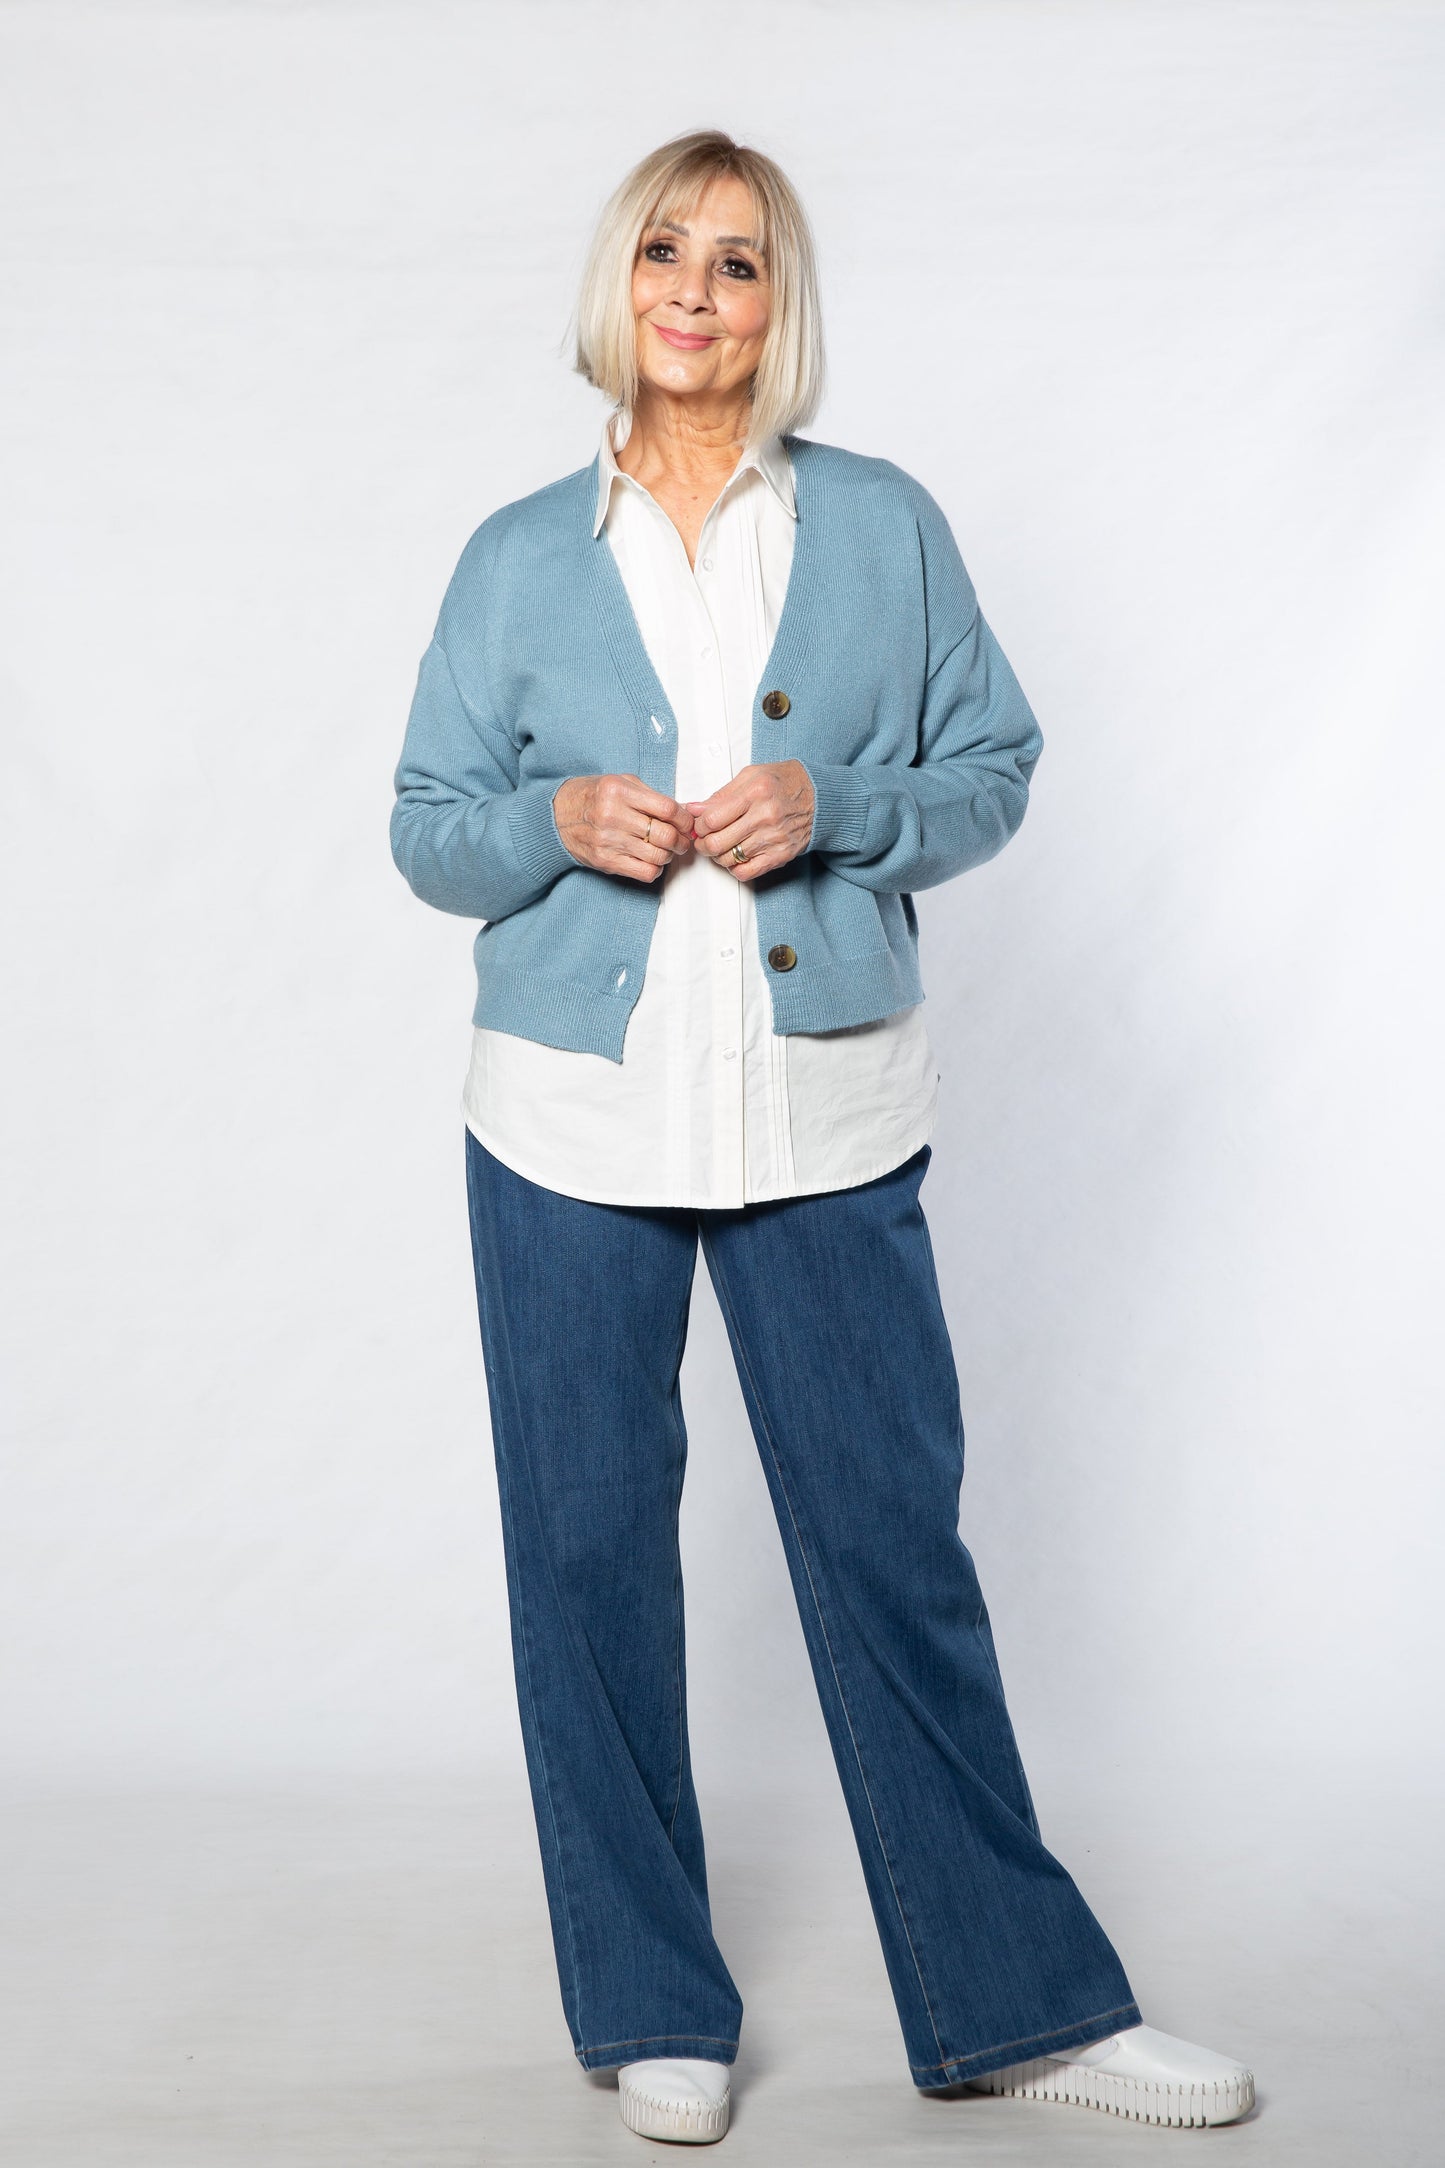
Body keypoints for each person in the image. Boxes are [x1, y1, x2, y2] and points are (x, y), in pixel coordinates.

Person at [390, 128, 1255, 2147]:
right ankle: (651, 2003)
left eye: (747, 262)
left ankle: (1019, 2000)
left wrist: (840, 803)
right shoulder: (518, 556)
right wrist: (548, 828)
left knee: (889, 1546)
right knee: (587, 1554)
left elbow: (995, 764)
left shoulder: (881, 526)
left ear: (785, 311)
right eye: (671, 251)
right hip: (566, 1127)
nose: (701, 287)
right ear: (621, 286)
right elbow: (430, 822)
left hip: (828, 1110)